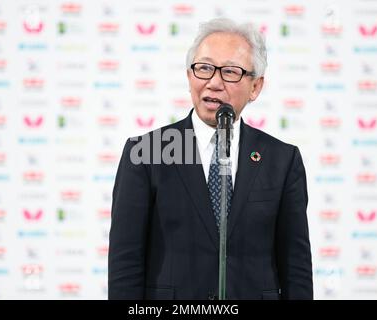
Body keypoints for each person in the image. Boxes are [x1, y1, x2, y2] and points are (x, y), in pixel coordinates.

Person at [108, 18, 313, 300]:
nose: (214, 82)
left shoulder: (281, 159)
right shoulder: (147, 152)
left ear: (255, 87)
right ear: (189, 76)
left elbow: (296, 266)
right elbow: (125, 262)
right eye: (204, 68)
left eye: (230, 72)